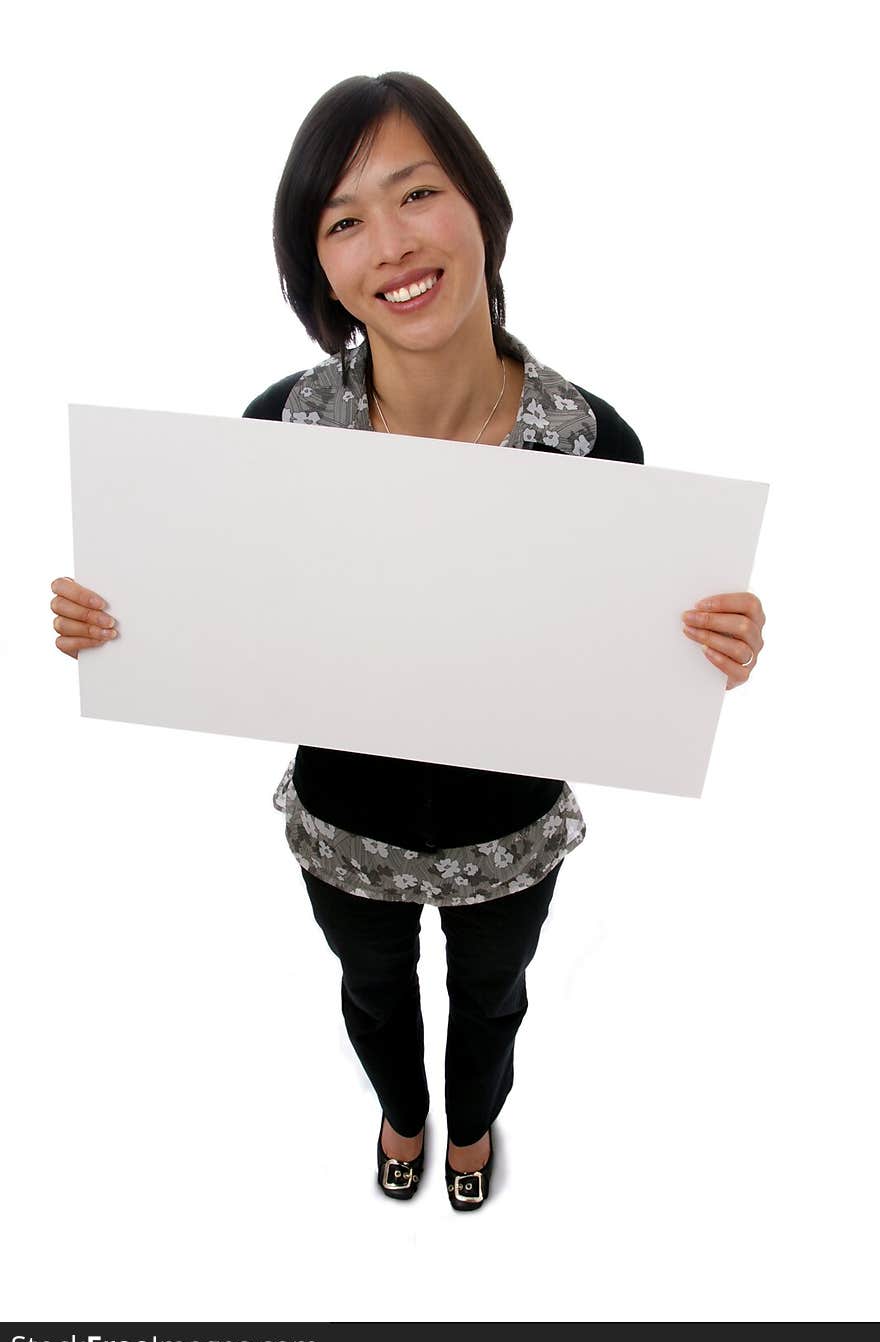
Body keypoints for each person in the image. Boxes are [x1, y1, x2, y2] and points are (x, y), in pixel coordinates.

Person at [49, 72, 766, 1212]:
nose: (388, 243)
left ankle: (472, 1128)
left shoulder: (590, 442)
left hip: (511, 835)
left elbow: (631, 647)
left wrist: (711, 646)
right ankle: (402, 1114)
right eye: (342, 221)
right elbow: (218, 604)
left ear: (479, 207)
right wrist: (113, 617)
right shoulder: (284, 429)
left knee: (492, 1000)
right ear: (318, 268)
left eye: (415, 193)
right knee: (374, 996)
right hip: (346, 827)